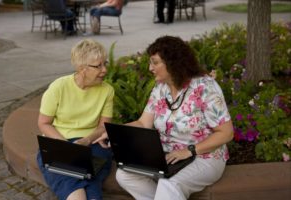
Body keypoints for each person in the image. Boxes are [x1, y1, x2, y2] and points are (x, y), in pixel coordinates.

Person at [98, 36, 234, 199]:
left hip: (204, 156)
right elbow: (143, 122)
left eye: (155, 62)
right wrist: (114, 134)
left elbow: (226, 133)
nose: (150, 68)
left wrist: (189, 151)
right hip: (167, 156)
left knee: (169, 185)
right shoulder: (160, 88)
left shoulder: (205, 87)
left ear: (172, 62)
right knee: (125, 175)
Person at [36, 39, 114, 200]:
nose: (104, 70)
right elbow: (43, 123)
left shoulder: (107, 91)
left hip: (92, 144)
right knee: (79, 194)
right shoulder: (59, 87)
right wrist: (66, 147)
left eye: (104, 63)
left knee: (86, 183)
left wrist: (86, 140)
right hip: (58, 142)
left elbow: (104, 126)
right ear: (81, 68)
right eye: (98, 66)